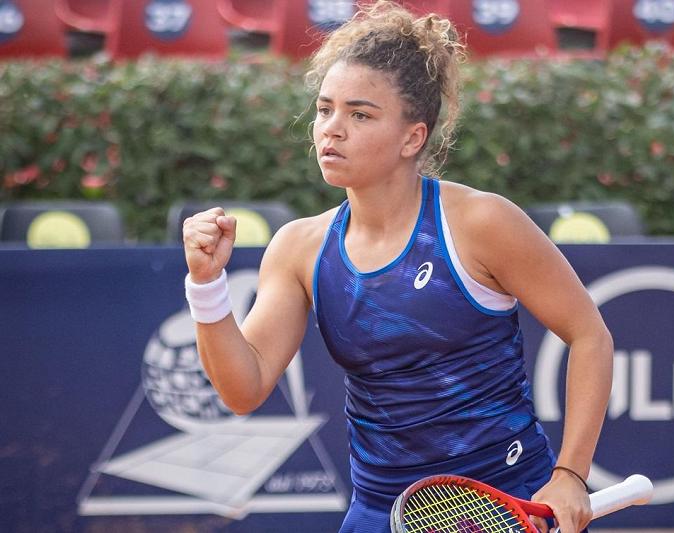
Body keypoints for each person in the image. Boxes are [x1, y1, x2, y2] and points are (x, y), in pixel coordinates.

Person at [181, 2, 612, 531]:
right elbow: (243, 390)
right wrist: (206, 284)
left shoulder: (481, 223)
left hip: (509, 503)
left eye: (360, 115)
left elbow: (589, 335)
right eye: (325, 110)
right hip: (381, 513)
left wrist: (570, 474)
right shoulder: (298, 248)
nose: (332, 130)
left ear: (413, 137)